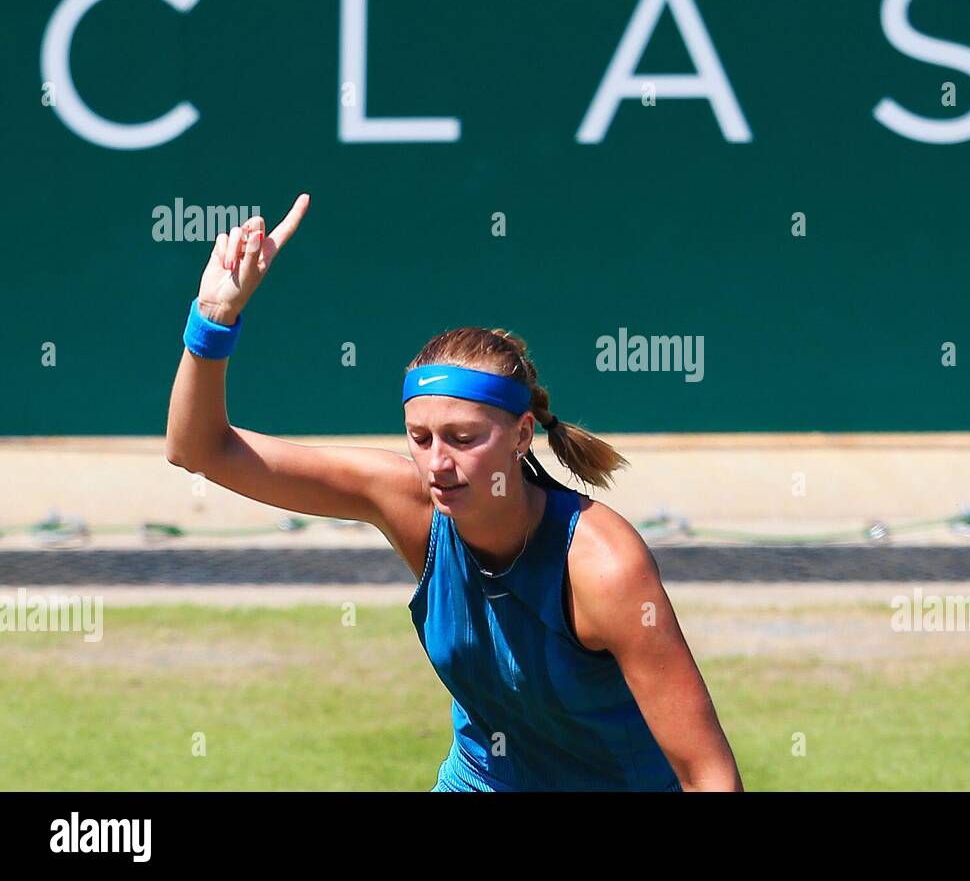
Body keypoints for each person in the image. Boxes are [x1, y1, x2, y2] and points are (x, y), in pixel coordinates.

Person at [164, 194, 744, 791]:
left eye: (463, 438)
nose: (437, 463)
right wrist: (213, 316)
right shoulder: (408, 501)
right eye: (420, 437)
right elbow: (200, 450)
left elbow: (707, 772)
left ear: (522, 435)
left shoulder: (604, 566)